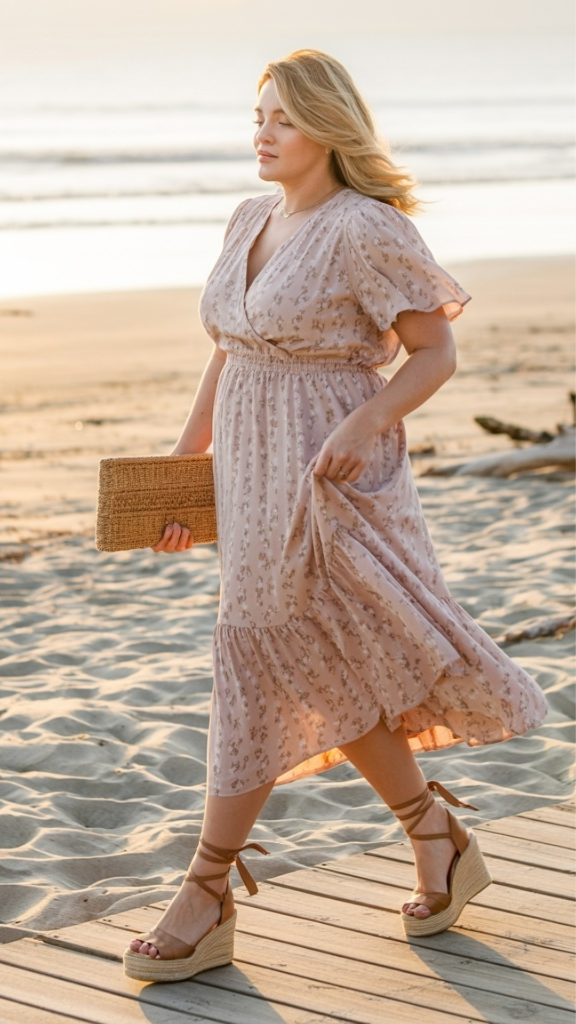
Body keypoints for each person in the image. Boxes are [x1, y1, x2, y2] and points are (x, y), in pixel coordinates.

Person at [123, 49, 547, 983]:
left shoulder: (365, 227)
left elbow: (434, 355)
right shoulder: (248, 218)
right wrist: (185, 464)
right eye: (257, 116)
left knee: (270, 652)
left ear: (326, 126)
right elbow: (229, 349)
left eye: (281, 117)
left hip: (332, 471)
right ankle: (435, 834)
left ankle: (209, 886)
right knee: (309, 659)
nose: (262, 133)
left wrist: (368, 416)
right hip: (246, 462)